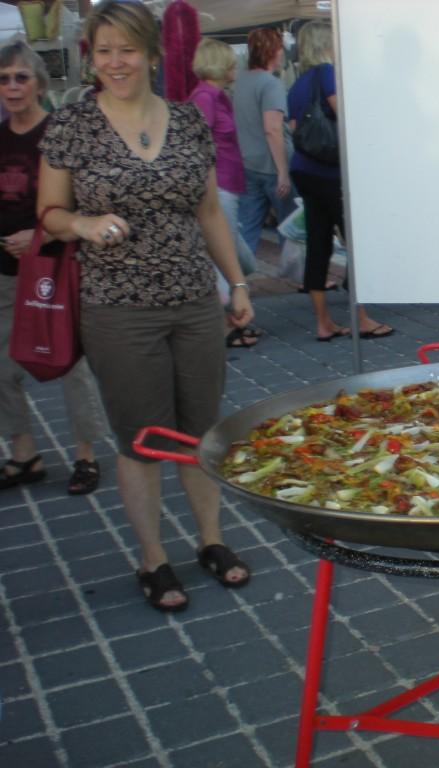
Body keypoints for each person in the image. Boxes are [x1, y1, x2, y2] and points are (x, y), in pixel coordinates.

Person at [37, 0, 254, 612]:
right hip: (118, 307)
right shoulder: (73, 125)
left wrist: (235, 285)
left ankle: (211, 541)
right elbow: (47, 216)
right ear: (91, 57)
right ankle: (154, 559)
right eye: (103, 51)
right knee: (141, 438)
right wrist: (82, 222)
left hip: (193, 301)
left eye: (126, 49)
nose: (115, 62)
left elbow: (209, 211)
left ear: (153, 54)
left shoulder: (187, 122)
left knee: (201, 431)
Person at [0, 41, 107, 497]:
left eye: (20, 77)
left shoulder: (58, 134)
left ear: (40, 83)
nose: (11, 86)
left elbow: (84, 204)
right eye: (3, 78)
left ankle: (86, 454)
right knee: (1, 367)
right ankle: (24, 454)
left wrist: (39, 237)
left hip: (57, 267)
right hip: (4, 270)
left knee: (70, 361)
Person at [286, 20, 393, 341]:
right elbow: (348, 116)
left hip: (304, 169)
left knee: (318, 242)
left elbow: (293, 128)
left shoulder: (297, 83)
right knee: (356, 242)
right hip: (333, 173)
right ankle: (361, 318)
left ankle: (323, 323)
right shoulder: (328, 74)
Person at [188, 37, 262, 349]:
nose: (236, 66)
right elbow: (198, 145)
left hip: (228, 184)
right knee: (226, 254)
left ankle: (230, 316)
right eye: (230, 61)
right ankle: (226, 322)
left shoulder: (216, 95)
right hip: (218, 187)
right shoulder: (206, 97)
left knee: (238, 256)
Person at [233, 27, 296, 259]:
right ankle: (298, 276)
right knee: (290, 226)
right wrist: (283, 172)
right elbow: (272, 128)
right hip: (272, 165)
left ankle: (236, 280)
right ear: (272, 51)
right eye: (280, 48)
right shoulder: (271, 84)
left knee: (247, 227)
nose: (283, 54)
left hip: (248, 162)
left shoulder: (241, 81)